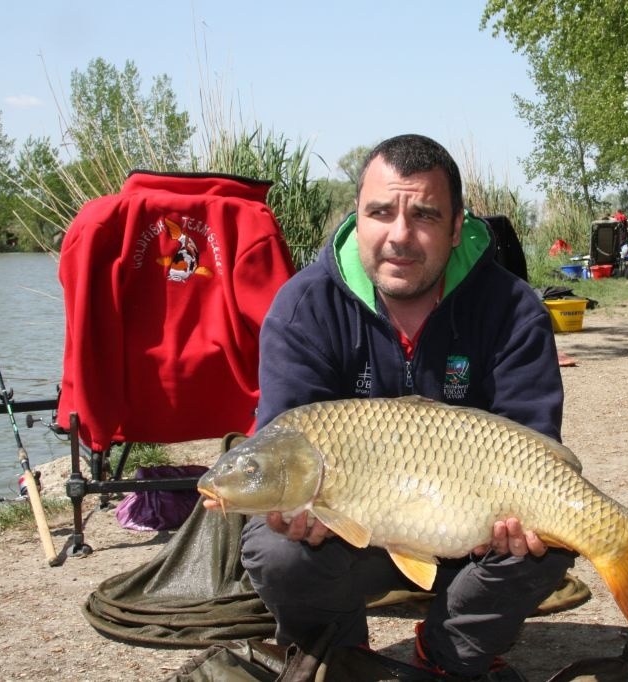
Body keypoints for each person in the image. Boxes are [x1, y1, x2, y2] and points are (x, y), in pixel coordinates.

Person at [236, 134, 572, 680]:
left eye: (424, 215)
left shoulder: (513, 309)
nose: (399, 235)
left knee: (552, 536)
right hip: (350, 536)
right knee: (277, 544)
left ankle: (446, 653)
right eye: (380, 212)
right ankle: (339, 656)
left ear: (456, 226)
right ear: (358, 218)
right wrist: (298, 510)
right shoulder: (304, 306)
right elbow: (284, 439)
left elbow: (533, 442)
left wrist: (519, 520)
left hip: (471, 531)